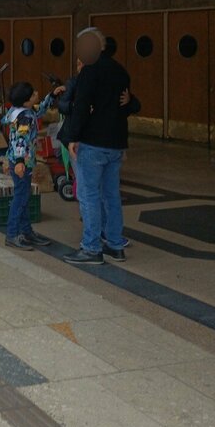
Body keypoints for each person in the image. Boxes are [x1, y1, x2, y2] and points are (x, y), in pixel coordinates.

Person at [64, 27, 141, 265]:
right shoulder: (120, 71)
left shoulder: (90, 71)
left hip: (93, 143)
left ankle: (91, 248)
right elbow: (127, 105)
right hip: (116, 143)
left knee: (89, 196)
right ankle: (115, 245)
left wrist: (71, 137)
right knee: (111, 196)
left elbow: (81, 106)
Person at [2, 80, 65, 250]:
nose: (36, 93)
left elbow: (40, 110)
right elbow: (20, 140)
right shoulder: (24, 118)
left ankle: (26, 231)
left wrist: (52, 96)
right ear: (26, 100)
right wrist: (20, 162)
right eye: (33, 93)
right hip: (21, 163)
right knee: (20, 199)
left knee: (23, 197)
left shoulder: (21, 111)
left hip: (18, 160)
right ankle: (12, 234)